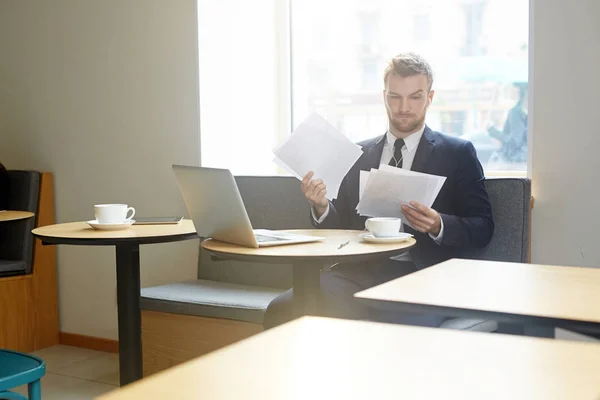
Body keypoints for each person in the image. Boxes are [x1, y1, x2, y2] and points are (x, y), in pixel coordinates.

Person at [263, 52, 494, 329]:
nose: (404, 107)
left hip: (423, 276)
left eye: (415, 97)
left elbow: (483, 227)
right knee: (284, 309)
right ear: (384, 96)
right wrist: (322, 206)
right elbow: (343, 228)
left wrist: (438, 224)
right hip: (359, 272)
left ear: (430, 98)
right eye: (395, 97)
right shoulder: (359, 153)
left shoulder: (458, 153)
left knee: (394, 326)